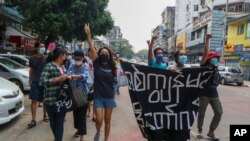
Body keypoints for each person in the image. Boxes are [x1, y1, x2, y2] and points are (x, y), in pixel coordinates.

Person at [85, 23, 116, 141]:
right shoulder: (96, 63)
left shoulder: (112, 66)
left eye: (106, 53)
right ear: (99, 55)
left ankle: (105, 139)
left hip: (109, 97)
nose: (104, 54)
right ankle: (98, 131)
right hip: (98, 96)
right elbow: (92, 47)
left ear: (109, 55)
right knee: (99, 120)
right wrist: (88, 34)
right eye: (102, 53)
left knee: (108, 120)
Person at [197, 34, 223, 140]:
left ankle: (211, 131)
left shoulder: (215, 68)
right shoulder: (204, 66)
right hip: (203, 93)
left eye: (217, 58)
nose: (216, 59)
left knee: (219, 112)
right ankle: (199, 130)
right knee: (201, 113)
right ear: (209, 59)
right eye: (213, 58)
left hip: (214, 93)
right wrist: (207, 40)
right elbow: (205, 54)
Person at [40, 47, 68, 141]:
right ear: (61, 55)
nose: (66, 57)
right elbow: (42, 82)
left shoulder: (63, 67)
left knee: (59, 123)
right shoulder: (49, 66)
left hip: (61, 101)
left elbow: (65, 80)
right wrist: (57, 79)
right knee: (53, 123)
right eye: (65, 55)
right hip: (50, 100)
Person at [68, 50, 89, 141]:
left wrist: (75, 76)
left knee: (82, 115)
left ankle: (82, 136)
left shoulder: (86, 66)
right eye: (76, 59)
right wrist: (71, 76)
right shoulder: (72, 65)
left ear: (83, 58)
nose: (77, 61)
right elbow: (68, 74)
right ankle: (78, 130)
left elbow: (85, 76)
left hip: (83, 94)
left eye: (79, 59)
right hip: (73, 93)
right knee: (76, 114)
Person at [27, 41, 48, 129]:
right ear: (36, 48)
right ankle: (33, 120)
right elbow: (31, 70)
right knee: (34, 101)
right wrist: (30, 79)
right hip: (35, 82)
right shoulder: (32, 58)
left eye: (43, 46)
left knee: (45, 101)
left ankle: (45, 115)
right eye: (41, 46)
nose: (43, 48)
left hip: (44, 82)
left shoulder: (46, 58)